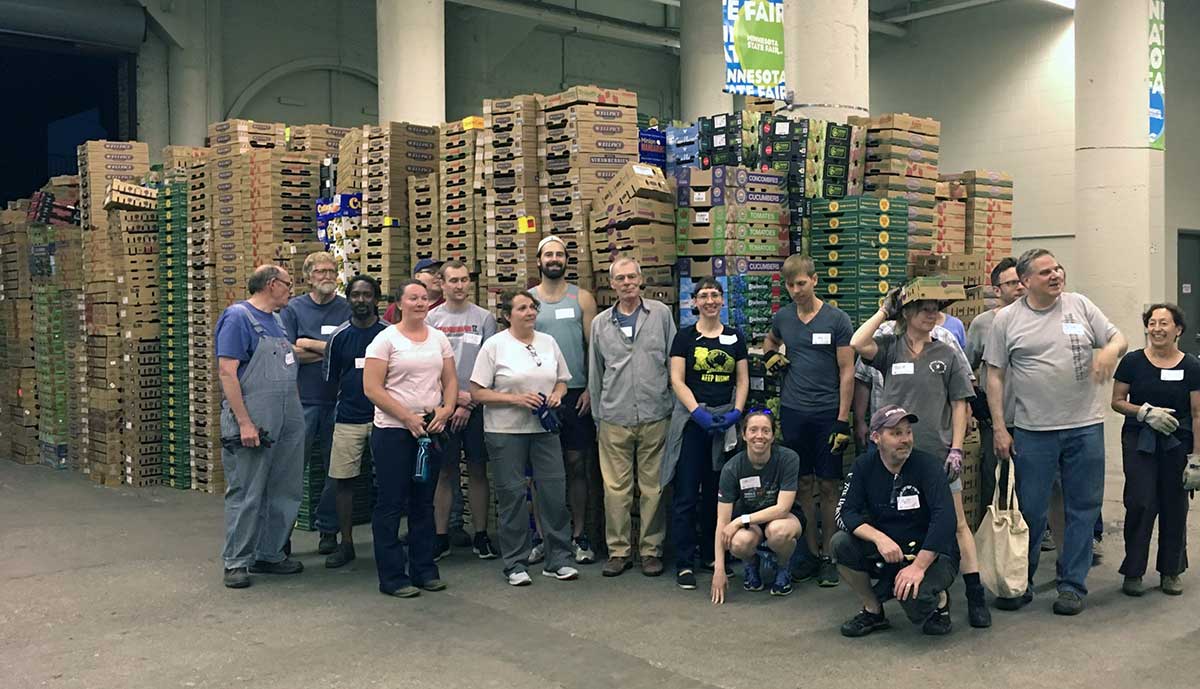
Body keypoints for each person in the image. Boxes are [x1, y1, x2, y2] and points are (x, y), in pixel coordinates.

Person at [984, 248, 1127, 616]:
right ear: (1026, 281)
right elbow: (995, 376)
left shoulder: (1079, 305)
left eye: (1058, 268)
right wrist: (1000, 427)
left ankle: (1072, 586)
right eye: (1046, 271)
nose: (1056, 275)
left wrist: (1110, 351)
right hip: (1034, 432)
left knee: (1083, 508)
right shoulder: (1007, 321)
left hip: (1085, 428)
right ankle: (1020, 581)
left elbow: (1118, 338)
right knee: (1030, 511)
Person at [850, 285, 988, 627]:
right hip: (894, 454)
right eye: (923, 308)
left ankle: (975, 595)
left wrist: (956, 448)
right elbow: (856, 343)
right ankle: (895, 582)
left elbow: (960, 404)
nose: (931, 313)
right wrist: (885, 310)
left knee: (956, 524)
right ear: (907, 313)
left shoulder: (947, 352)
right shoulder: (889, 348)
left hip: (936, 453)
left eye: (934, 308)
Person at [470, 290, 580, 586]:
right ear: (508, 315)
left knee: (554, 493)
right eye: (522, 308)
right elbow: (477, 392)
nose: (530, 312)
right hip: (505, 432)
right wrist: (516, 399)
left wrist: (557, 394)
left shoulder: (548, 342)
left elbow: (561, 380)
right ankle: (515, 562)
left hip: (543, 431)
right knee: (512, 497)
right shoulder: (494, 346)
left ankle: (559, 557)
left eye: (533, 307)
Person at [762, 255, 855, 587]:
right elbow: (770, 340)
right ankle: (810, 552)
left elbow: (847, 371)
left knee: (829, 485)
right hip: (794, 411)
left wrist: (842, 421)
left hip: (828, 412)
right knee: (802, 484)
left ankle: (830, 553)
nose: (796, 290)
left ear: (814, 280)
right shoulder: (784, 317)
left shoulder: (837, 320)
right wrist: (772, 354)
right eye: (790, 285)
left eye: (801, 283)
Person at [362, 279, 457, 598]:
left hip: (430, 431)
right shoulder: (384, 340)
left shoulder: (439, 339)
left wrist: (445, 410)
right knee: (391, 503)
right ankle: (392, 577)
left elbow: (451, 379)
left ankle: (424, 569)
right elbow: (372, 388)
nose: (419, 303)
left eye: (424, 298)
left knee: (423, 503)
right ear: (399, 304)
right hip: (393, 431)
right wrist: (406, 417)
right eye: (413, 298)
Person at [215, 265, 306, 589]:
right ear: (271, 284)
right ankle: (237, 561)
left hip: (288, 416)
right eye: (287, 284)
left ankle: (269, 553)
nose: (291, 290)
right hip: (254, 417)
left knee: (286, 487)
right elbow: (227, 372)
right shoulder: (238, 318)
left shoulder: (279, 321)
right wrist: (244, 422)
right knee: (248, 490)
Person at [834, 405, 959, 637]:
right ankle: (873, 610)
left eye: (908, 432)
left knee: (916, 602)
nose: (905, 440)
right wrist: (879, 538)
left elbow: (946, 520)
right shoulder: (863, 466)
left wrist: (919, 566)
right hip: (888, 550)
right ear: (876, 438)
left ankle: (940, 602)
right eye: (896, 433)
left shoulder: (929, 466)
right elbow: (845, 513)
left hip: (931, 553)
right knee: (841, 544)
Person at [589, 256, 676, 577]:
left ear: (641, 281)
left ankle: (651, 551)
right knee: (616, 490)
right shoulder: (600, 324)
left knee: (653, 488)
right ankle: (618, 551)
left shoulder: (661, 315)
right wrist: (598, 417)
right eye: (620, 278)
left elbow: (672, 363)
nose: (626, 283)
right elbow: (595, 373)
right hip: (614, 415)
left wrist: (673, 407)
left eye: (631, 277)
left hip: (656, 413)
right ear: (611, 284)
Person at [665, 278, 749, 590]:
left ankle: (713, 556)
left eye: (715, 294)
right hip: (692, 423)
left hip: (723, 424)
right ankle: (685, 562)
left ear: (722, 300)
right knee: (687, 492)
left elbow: (742, 379)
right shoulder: (685, 337)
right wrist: (696, 412)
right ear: (694, 302)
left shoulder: (734, 337)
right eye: (704, 296)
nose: (710, 300)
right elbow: (677, 379)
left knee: (718, 493)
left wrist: (737, 412)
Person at [1111, 303, 1200, 596]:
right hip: (1140, 439)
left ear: (1178, 330)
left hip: (1178, 441)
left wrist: (1196, 459)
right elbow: (1117, 401)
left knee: (1174, 505)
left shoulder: (1191, 366)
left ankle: (1171, 571)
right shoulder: (1133, 362)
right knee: (1140, 502)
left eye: (1164, 323)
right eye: (1152, 323)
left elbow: (1198, 414)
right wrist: (1144, 412)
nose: (1157, 329)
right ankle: (1133, 571)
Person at [530, 235, 601, 564]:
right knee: (541, 469)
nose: (554, 259)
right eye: (549, 254)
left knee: (576, 464)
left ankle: (578, 535)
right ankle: (543, 536)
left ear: (566, 261)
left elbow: (593, 349)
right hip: (539, 395)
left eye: (560, 254)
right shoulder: (528, 300)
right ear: (539, 261)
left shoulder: (582, 299)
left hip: (575, 394)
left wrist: (590, 388)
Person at [427, 260, 500, 561]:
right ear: (441, 284)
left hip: (476, 406)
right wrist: (452, 402)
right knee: (444, 472)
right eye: (453, 280)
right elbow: (428, 366)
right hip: (444, 407)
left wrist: (469, 402)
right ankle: (440, 537)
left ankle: (481, 535)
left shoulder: (484, 319)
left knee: (478, 470)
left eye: (464, 280)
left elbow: (491, 365)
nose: (459, 286)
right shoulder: (431, 320)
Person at [280, 251, 352, 554]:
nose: (327, 276)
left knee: (335, 471)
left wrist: (309, 344)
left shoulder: (347, 308)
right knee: (292, 471)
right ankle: (280, 538)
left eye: (331, 270)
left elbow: (351, 352)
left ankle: (328, 530)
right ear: (308, 277)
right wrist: (330, 351)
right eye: (320, 271)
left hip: (338, 402)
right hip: (303, 402)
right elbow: (287, 352)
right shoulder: (294, 309)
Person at [321, 275, 389, 568]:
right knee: (343, 481)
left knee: (388, 482)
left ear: (377, 298)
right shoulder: (339, 337)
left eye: (367, 295)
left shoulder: (388, 334)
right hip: (348, 418)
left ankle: (388, 542)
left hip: (385, 418)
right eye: (355, 295)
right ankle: (346, 543)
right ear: (348, 299)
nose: (361, 300)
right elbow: (331, 379)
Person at [710, 411, 804, 603]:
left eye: (765, 430)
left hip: (782, 518)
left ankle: (783, 566)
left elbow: (783, 509)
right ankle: (751, 565)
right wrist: (719, 568)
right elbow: (722, 520)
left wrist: (741, 520)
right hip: (750, 524)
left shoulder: (788, 458)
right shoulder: (732, 468)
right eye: (753, 430)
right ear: (744, 435)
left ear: (773, 435)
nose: (759, 436)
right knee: (737, 542)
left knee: (778, 532)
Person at [964, 257, 1025, 511]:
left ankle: (1033, 534)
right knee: (994, 478)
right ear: (997, 290)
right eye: (1012, 283)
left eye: (1022, 281)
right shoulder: (982, 324)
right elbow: (967, 369)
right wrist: (976, 408)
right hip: (997, 420)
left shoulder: (1036, 320)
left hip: (1032, 419)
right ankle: (995, 534)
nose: (1020, 287)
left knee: (1030, 482)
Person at [382, 258, 444, 324]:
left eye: (441, 273)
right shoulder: (397, 308)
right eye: (432, 272)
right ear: (417, 276)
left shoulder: (447, 307)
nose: (439, 276)